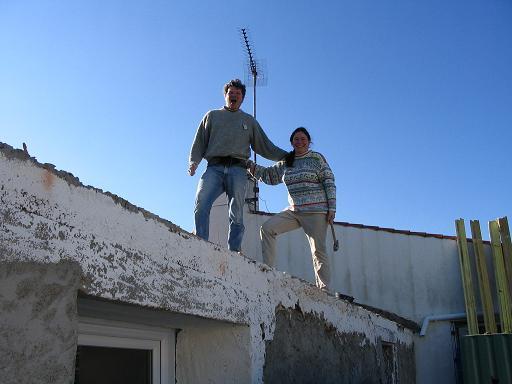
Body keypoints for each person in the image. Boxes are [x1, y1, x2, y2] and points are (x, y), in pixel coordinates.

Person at [188, 79, 287, 252]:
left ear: (242, 98)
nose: (234, 95)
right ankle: (200, 244)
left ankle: (234, 251)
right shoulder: (212, 116)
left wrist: (288, 156)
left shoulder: (248, 121)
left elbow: (265, 145)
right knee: (201, 202)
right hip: (214, 168)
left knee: (237, 213)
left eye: (238, 93)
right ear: (225, 95)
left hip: (238, 170)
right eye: (231, 93)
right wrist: (193, 162)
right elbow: (199, 142)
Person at [247, 127, 336, 291]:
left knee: (318, 250)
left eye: (303, 139)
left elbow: (329, 181)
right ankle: (268, 271)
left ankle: (324, 289)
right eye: (296, 139)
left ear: (309, 142)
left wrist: (332, 208)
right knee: (267, 228)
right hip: (294, 210)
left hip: (316, 211)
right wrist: (249, 166)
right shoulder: (287, 161)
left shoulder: (316, 158)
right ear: (291, 142)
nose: (300, 141)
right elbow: (270, 175)